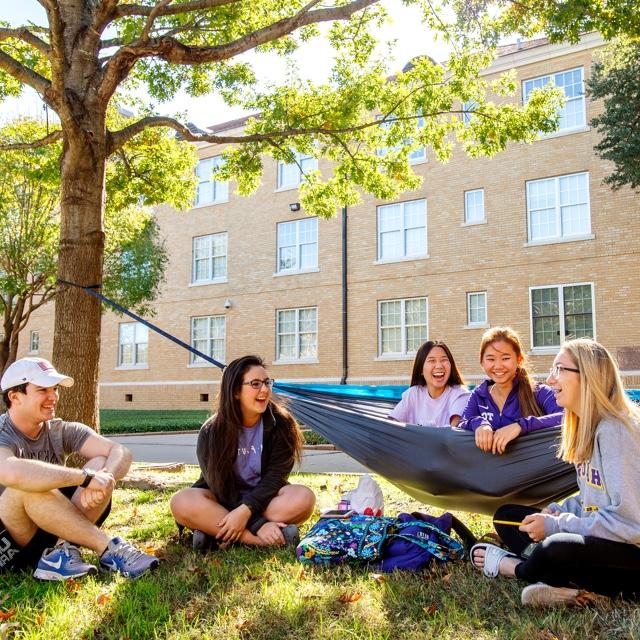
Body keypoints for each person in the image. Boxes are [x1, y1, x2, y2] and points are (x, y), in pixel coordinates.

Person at [470, 338, 640, 606]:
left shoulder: (616, 431)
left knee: (555, 546)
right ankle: (569, 586)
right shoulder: (587, 428)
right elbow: (591, 501)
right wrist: (556, 511)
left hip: (632, 553)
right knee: (507, 517)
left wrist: (556, 526)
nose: (550, 379)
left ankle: (518, 568)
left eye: (560, 369)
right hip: (607, 542)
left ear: (588, 376)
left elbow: (629, 526)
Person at [0, 357, 159, 580]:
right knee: (24, 485)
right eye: (43, 389)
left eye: (54, 389)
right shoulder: (2, 433)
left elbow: (120, 451)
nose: (53, 396)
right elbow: (10, 472)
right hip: (11, 544)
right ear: (15, 396)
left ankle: (61, 553)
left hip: (54, 528)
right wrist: (84, 477)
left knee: (101, 463)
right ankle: (107, 547)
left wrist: (105, 476)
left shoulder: (60, 430)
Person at [170, 355, 316, 550]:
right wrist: (258, 524)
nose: (264, 389)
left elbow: (275, 478)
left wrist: (246, 512)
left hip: (265, 500)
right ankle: (257, 540)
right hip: (222, 500)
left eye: (266, 382)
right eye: (255, 384)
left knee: (304, 497)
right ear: (236, 391)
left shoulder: (282, 424)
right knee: (181, 501)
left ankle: (214, 534)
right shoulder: (212, 431)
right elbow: (219, 486)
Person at [457, 326, 562, 454]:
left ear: (519, 359)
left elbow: (566, 417)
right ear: (482, 361)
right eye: (490, 359)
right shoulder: (479, 395)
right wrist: (479, 423)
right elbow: (461, 425)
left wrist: (521, 426)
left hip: (533, 471)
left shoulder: (538, 391)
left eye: (505, 358)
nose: (498, 366)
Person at [389, 341, 470, 427]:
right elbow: (391, 427)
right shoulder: (413, 394)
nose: (439, 366)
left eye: (444, 360)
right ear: (421, 369)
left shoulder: (460, 395)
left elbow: (454, 432)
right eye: (432, 361)